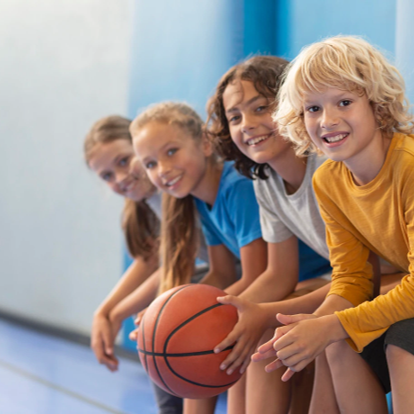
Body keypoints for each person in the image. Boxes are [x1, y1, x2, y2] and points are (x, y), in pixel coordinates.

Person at [206, 55, 403, 414]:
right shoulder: (266, 182)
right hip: (361, 283)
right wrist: (240, 315)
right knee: (275, 333)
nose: (247, 125)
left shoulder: (332, 160)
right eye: (235, 117)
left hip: (392, 281)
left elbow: (365, 277)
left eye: (260, 108)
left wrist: (270, 315)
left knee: (323, 334)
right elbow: (281, 273)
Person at [254, 36, 414, 414]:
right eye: (312, 108)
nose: (327, 120)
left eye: (344, 102)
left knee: (402, 344)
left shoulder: (408, 166)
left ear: (377, 104)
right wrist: (308, 329)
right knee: (340, 343)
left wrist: (331, 324)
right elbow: (353, 280)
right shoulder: (328, 182)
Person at [129, 101, 270, 414]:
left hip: (304, 281)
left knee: (201, 334)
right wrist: (162, 316)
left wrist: (181, 319)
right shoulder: (202, 198)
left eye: (171, 152)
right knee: (185, 333)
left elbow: (258, 275)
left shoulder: (237, 186)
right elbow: (221, 274)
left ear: (205, 144)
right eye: (150, 164)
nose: (162, 170)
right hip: (272, 287)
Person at [85, 115, 190, 414]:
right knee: (160, 312)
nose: (119, 178)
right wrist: (104, 313)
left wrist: (117, 313)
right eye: (106, 175)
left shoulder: (174, 188)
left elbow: (171, 264)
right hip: (213, 273)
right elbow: (149, 262)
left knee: (163, 312)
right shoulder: (144, 205)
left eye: (123, 161)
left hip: (239, 273)